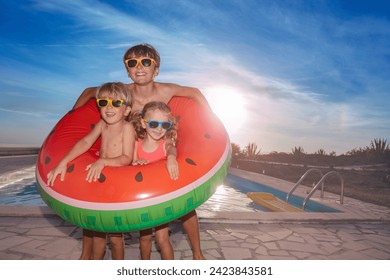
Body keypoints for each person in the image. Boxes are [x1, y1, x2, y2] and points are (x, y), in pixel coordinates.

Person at [74, 43, 207, 260]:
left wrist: (210, 121)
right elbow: (89, 92)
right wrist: (72, 115)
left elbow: (195, 92)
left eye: (146, 62)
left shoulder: (166, 90)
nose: (139, 66)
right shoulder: (124, 92)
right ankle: (86, 256)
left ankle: (198, 254)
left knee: (186, 206)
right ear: (127, 69)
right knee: (94, 197)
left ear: (156, 68)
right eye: (132, 63)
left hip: (159, 146)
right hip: (133, 151)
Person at [47, 82, 135, 260]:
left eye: (116, 103)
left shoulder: (127, 128)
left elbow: (127, 158)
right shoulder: (103, 123)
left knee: (116, 237)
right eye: (104, 103)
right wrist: (63, 162)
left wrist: (104, 161)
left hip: (115, 183)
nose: (109, 108)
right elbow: (86, 142)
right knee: (95, 232)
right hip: (98, 180)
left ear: (126, 110)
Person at [132, 101, 179, 259]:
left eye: (165, 125)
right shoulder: (135, 145)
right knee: (144, 238)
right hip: (143, 200)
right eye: (153, 123)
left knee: (162, 238)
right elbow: (128, 166)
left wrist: (171, 158)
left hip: (161, 200)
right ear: (143, 123)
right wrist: (136, 162)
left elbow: (171, 147)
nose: (159, 129)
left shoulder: (164, 143)